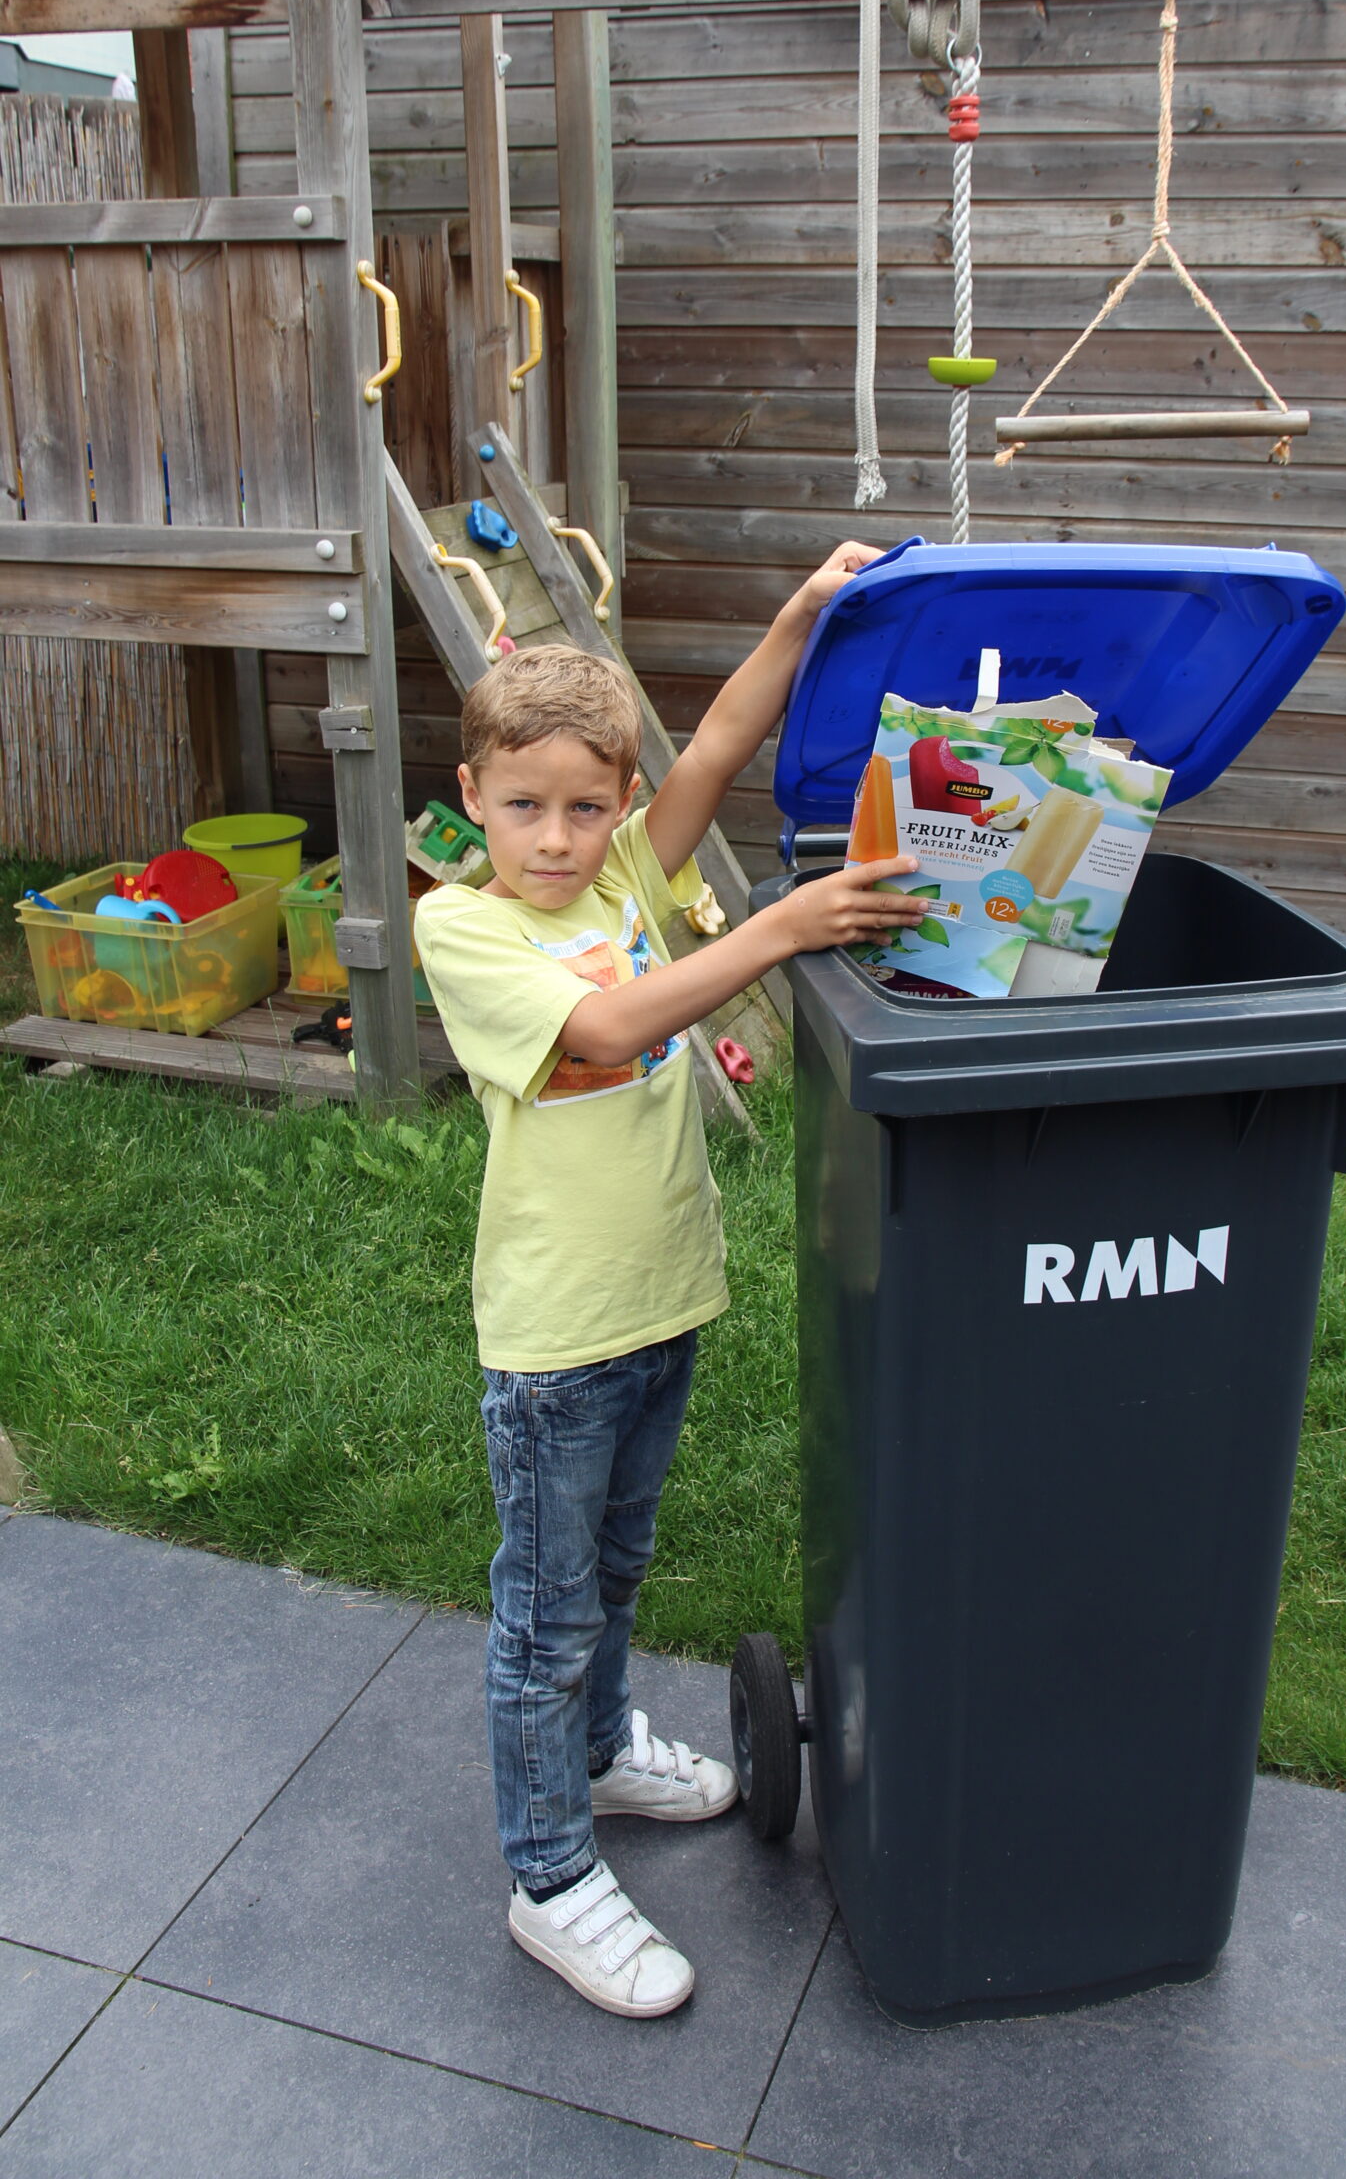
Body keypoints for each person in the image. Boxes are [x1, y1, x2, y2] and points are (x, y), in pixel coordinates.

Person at [414, 542, 924, 2021]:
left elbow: (714, 742)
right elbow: (612, 1024)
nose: (559, 840)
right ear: (474, 803)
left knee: (618, 1569)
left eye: (587, 809)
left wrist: (800, 612)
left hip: (659, 1303)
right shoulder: (471, 927)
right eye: (526, 809)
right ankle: (550, 1875)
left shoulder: (633, 863)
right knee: (544, 1616)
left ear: (620, 809)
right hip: (558, 1338)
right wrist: (772, 929)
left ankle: (601, 1755)